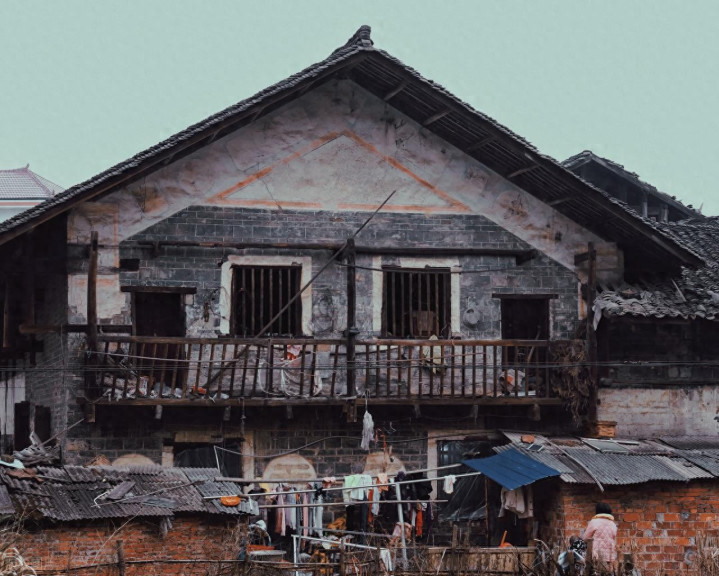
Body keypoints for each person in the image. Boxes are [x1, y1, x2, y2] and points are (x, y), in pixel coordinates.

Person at [583, 502, 617, 572]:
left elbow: (585, 538)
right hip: (609, 555)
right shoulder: (613, 524)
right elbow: (614, 537)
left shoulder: (594, 522)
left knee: (596, 572)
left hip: (596, 554)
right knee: (607, 572)